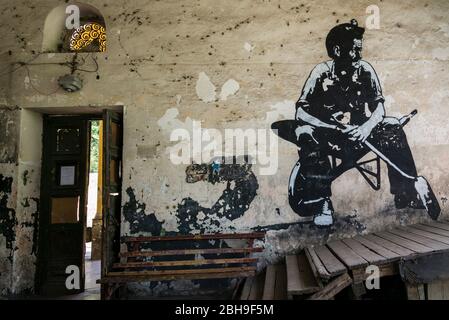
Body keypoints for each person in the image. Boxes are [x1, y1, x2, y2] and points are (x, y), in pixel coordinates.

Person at [289, 19, 422, 226]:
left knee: (393, 125)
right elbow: (301, 112)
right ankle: (321, 202)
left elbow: (379, 109)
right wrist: (331, 127)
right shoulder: (320, 73)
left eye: (360, 49)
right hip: (330, 135)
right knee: (305, 132)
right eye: (354, 50)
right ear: (337, 50)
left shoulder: (365, 70)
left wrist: (366, 128)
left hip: (361, 133)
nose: (359, 55)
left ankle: (406, 192)